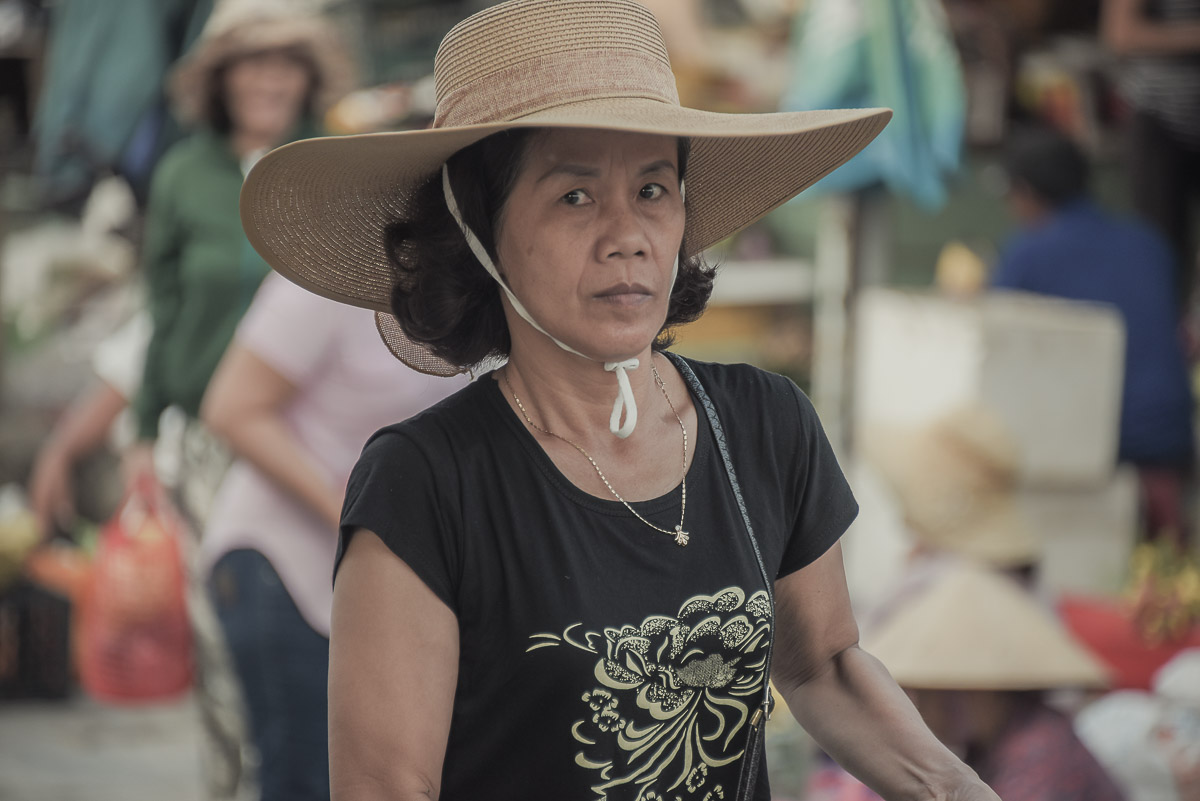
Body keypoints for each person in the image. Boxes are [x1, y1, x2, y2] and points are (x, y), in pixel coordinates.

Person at [239, 1, 1001, 798]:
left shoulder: (764, 426)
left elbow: (826, 666)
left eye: (653, 189)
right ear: (476, 226)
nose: (627, 234)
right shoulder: (428, 484)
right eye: (575, 196)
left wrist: (956, 788)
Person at [125, 3, 354, 798]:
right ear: (221, 77)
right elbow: (160, 308)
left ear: (307, 75)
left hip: (316, 441)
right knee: (225, 648)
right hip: (209, 440)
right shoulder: (186, 174)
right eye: (251, 62)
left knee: (328, 640)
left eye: (285, 61)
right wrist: (140, 433)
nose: (268, 78)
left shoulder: (332, 166)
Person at [198, 272, 466, 801]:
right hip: (282, 563)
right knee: (306, 779)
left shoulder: (479, 291)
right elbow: (231, 408)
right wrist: (348, 512)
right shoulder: (318, 287)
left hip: (390, 570)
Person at [992, 127, 1195, 546]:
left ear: (1025, 192)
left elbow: (997, 349)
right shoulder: (1150, 244)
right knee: (1165, 585)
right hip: (1168, 442)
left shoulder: (1028, 253)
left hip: (1092, 447)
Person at [810, 561, 1124, 801]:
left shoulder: (1038, 752)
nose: (921, 707)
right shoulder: (994, 743)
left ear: (969, 692)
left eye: (930, 693)